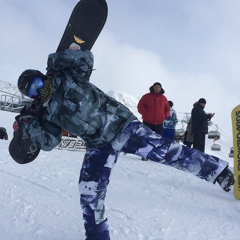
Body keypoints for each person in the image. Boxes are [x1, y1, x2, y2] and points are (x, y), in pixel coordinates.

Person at [16, 48, 234, 240]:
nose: (38, 89)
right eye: (33, 91)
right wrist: (30, 124)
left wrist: (57, 60)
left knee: (170, 153)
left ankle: (219, 172)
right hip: (97, 144)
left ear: (41, 76)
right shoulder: (46, 113)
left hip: (123, 127)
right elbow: (49, 142)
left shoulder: (67, 76)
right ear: (31, 96)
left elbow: (86, 59)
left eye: (38, 83)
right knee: (89, 191)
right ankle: (97, 236)